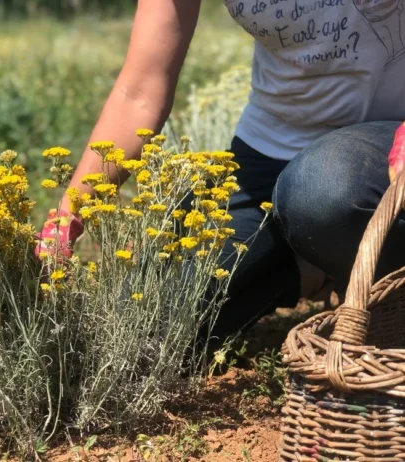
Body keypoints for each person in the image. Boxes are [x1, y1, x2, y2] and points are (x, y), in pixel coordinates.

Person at [37, 0, 405, 342]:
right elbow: (139, 92)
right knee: (140, 327)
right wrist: (65, 224)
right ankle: (310, 257)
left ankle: (372, 284)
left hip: (385, 144)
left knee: (324, 190)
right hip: (266, 157)